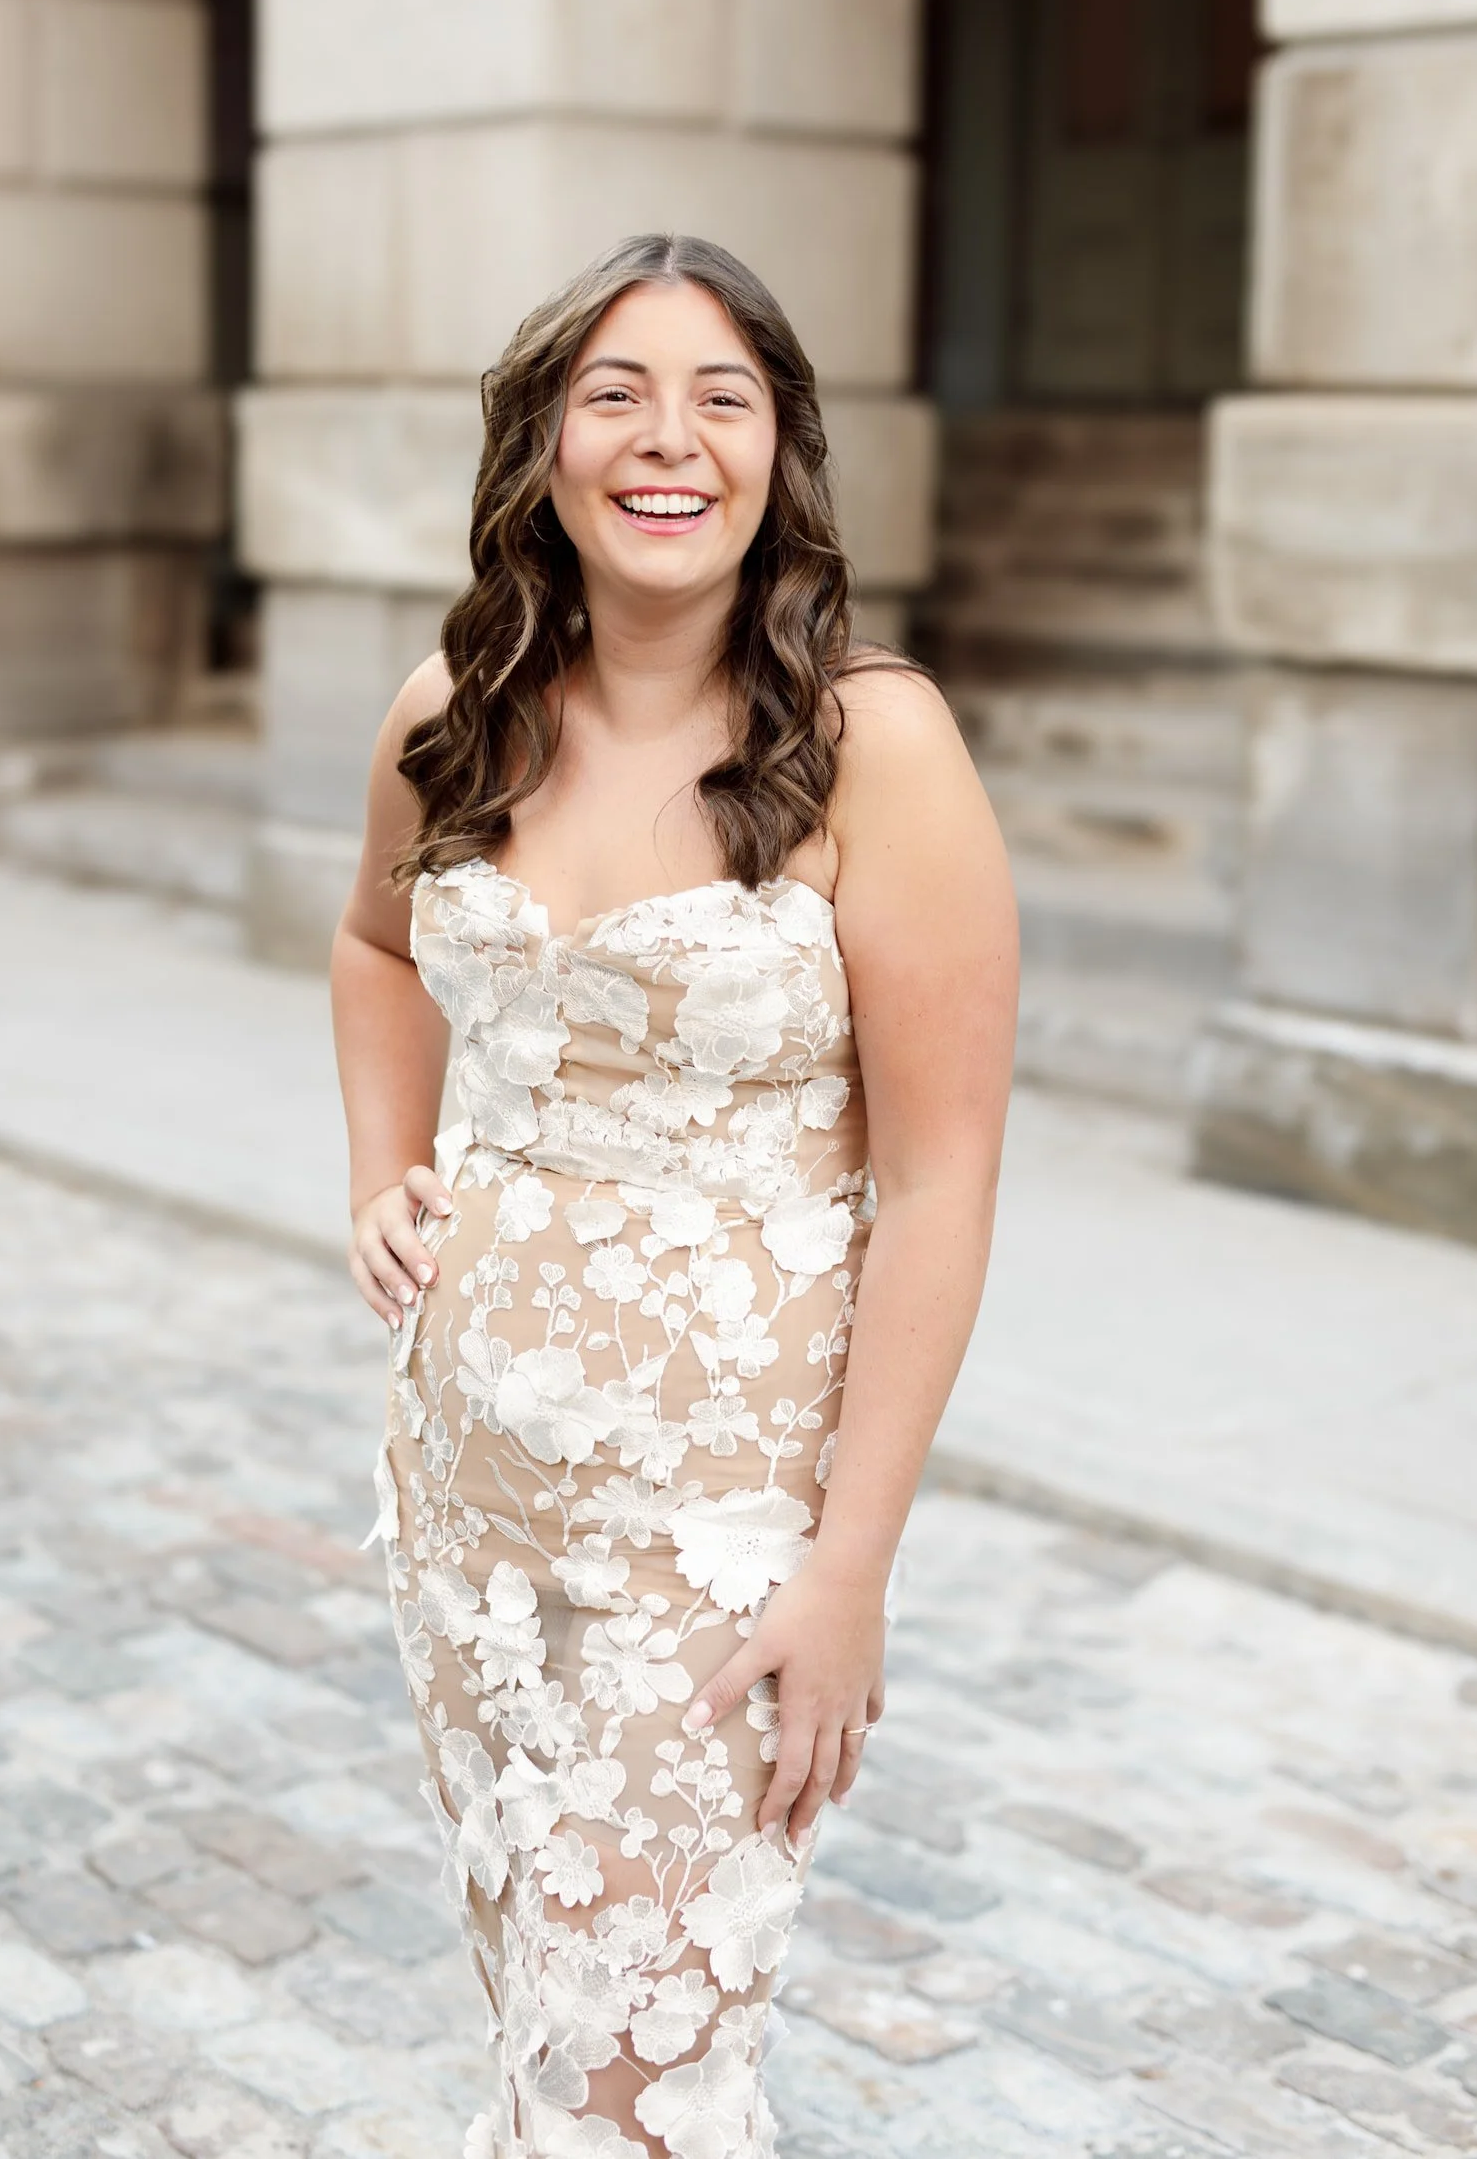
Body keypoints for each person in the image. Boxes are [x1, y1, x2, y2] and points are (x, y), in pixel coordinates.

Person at [330, 233, 1017, 2159]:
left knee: (641, 2073)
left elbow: (945, 1179)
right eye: (614, 390)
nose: (666, 438)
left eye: (721, 396)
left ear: (777, 453)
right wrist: (381, 1168)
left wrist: (850, 1568)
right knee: (540, 2014)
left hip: (721, 1528)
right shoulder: (451, 703)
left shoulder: (877, 742)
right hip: (465, 1486)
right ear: (543, 442)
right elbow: (377, 949)